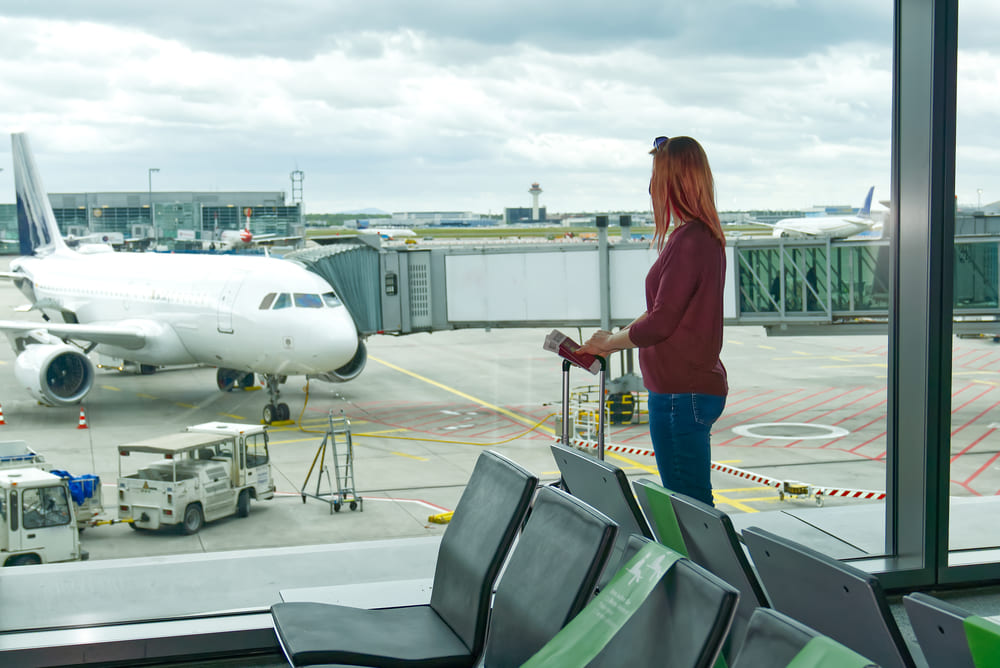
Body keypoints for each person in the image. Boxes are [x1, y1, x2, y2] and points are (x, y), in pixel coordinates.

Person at [577, 135, 727, 506]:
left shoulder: (691, 240)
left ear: (676, 182)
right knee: (690, 504)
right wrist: (613, 338)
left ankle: (705, 566)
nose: (650, 188)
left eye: (656, 178)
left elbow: (661, 322)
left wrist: (609, 344)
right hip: (684, 390)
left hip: (681, 394)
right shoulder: (697, 236)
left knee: (689, 507)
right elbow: (662, 309)